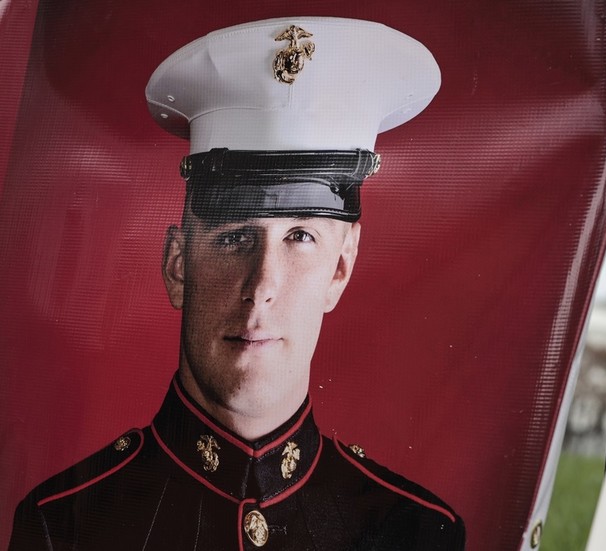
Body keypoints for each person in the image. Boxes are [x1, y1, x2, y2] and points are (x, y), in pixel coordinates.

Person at [8, 17, 465, 550]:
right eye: (233, 239)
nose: (262, 286)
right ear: (179, 265)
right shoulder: (66, 528)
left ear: (340, 269)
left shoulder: (414, 532)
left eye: (299, 237)